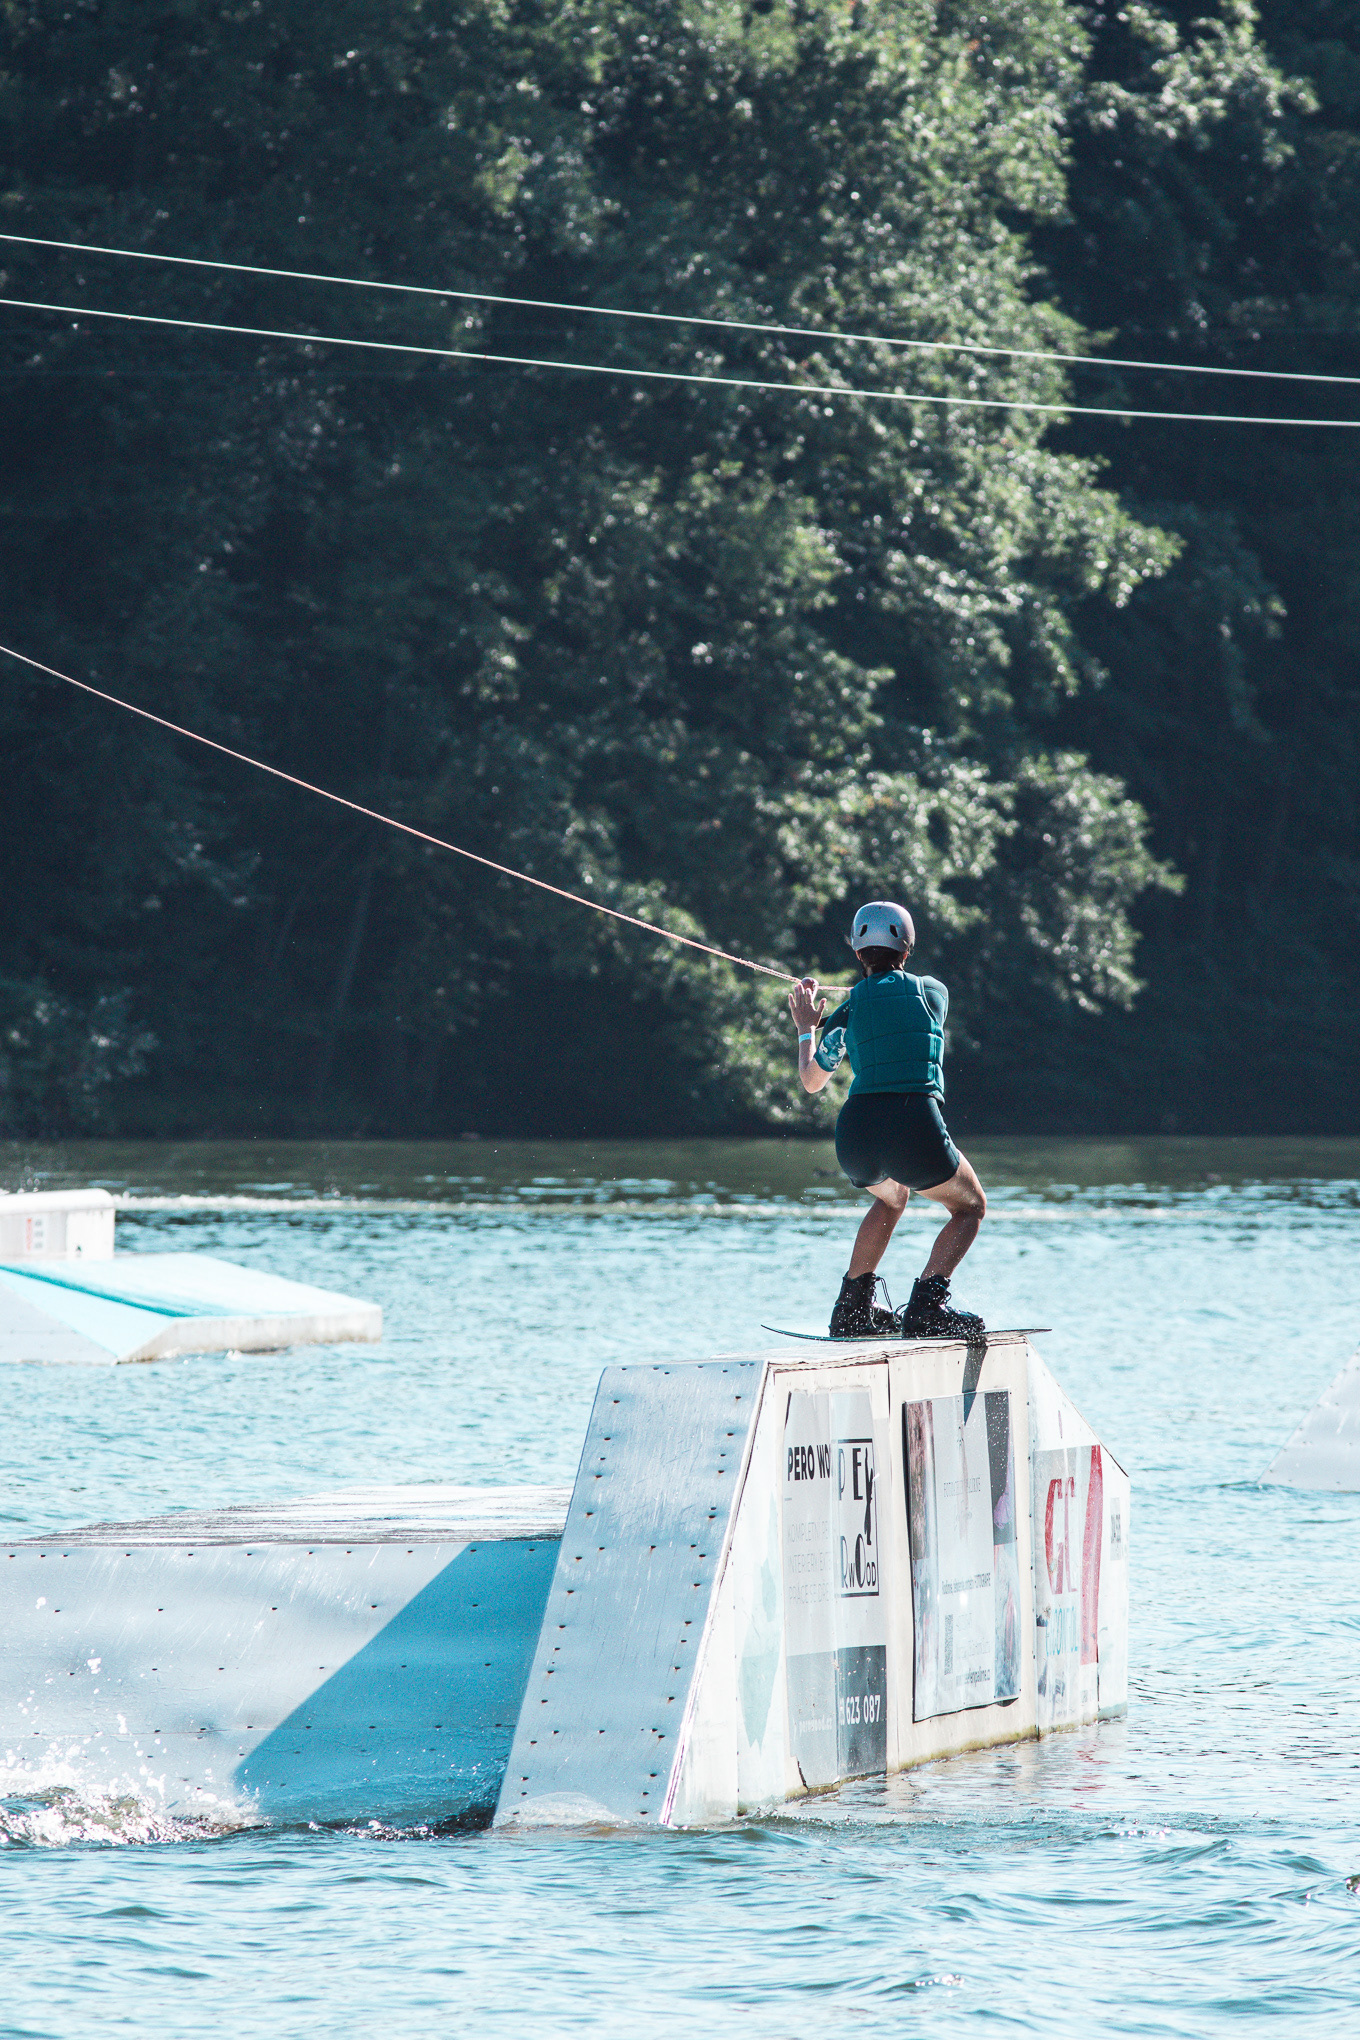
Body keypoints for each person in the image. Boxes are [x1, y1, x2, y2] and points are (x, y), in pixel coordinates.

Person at [789, 899, 987, 1340]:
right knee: (970, 1207)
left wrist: (806, 1028)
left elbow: (812, 1081)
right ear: (908, 948)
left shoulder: (846, 1014)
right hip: (912, 1124)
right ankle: (927, 1308)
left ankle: (852, 1308)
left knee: (892, 1197)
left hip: (856, 1135)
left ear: (857, 951)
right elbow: (902, 1005)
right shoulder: (933, 992)